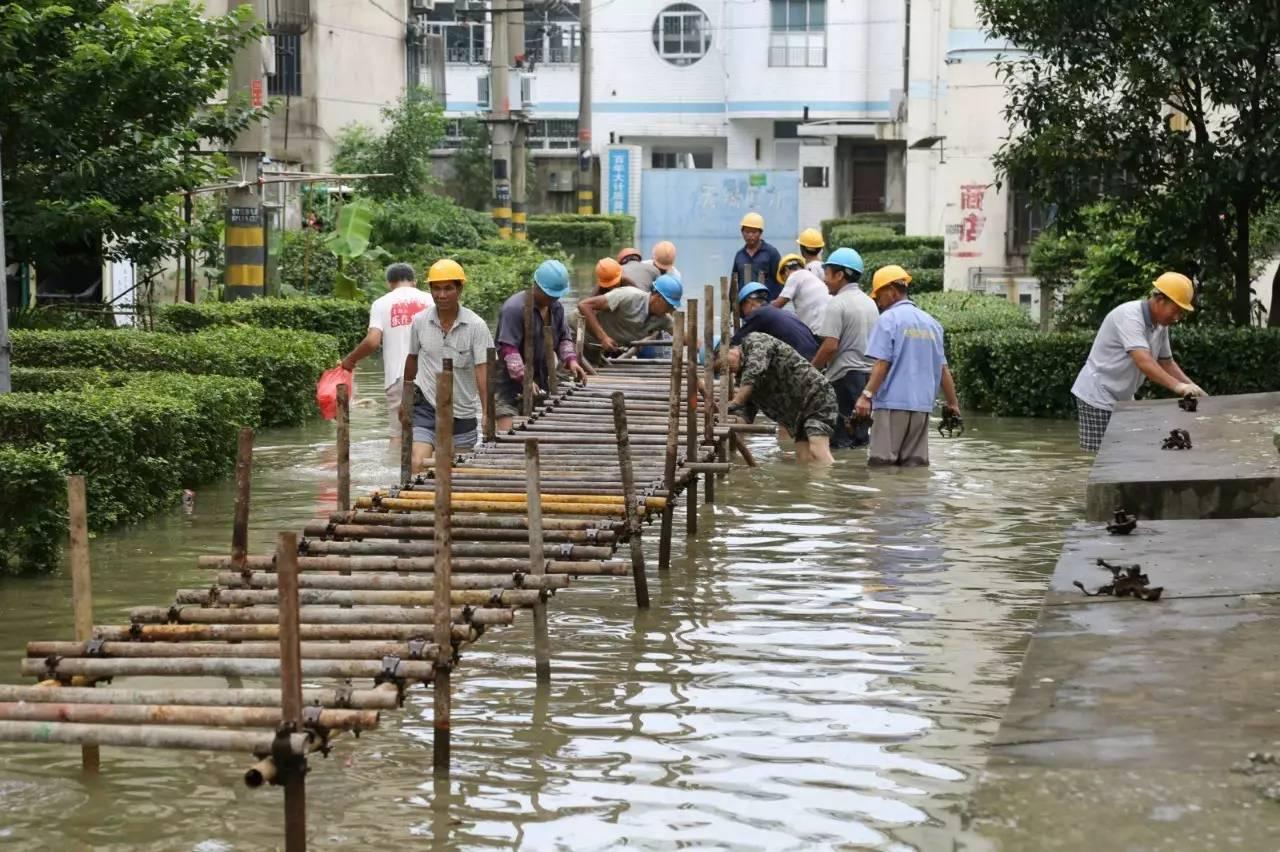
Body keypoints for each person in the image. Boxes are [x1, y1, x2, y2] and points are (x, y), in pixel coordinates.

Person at [1070, 272, 1206, 452]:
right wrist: (1179, 388)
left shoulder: (1160, 325)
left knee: (1128, 452)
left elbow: (1166, 362)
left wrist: (1195, 389)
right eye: (1175, 310)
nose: (1177, 318)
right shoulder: (1130, 316)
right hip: (1098, 394)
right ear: (1159, 300)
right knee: (1104, 458)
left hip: (1123, 396)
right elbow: (1144, 362)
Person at [855, 265, 961, 467]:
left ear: (892, 292)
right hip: (922, 408)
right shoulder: (931, 323)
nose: (878, 301)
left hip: (891, 406)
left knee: (882, 468)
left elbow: (881, 364)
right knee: (914, 469)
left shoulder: (888, 319)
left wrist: (865, 396)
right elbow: (943, 369)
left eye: (879, 296)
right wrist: (953, 404)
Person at [402, 258, 493, 473]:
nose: (442, 295)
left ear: (460, 289)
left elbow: (483, 370)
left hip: (462, 410)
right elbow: (412, 359)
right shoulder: (420, 322)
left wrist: (488, 412)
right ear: (430, 290)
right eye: (437, 289)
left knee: (458, 472)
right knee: (417, 463)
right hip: (426, 406)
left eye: (448, 289)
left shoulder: (476, 326)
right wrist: (405, 401)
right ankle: (418, 504)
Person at [339, 262, 432, 441]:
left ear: (389, 283)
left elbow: (372, 341)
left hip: (399, 377)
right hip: (434, 376)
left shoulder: (381, 303)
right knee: (433, 433)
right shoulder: (431, 300)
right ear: (415, 281)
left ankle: (395, 468)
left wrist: (350, 360)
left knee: (399, 437)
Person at [494, 260, 589, 431]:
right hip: (508, 382)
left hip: (541, 378)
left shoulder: (556, 308)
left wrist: (571, 361)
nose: (553, 298)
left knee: (536, 427)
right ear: (536, 286)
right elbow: (508, 349)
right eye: (549, 294)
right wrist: (525, 379)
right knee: (506, 432)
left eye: (556, 295)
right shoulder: (514, 308)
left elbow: (563, 339)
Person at [723, 332, 837, 465]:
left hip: (816, 396)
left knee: (817, 450)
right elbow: (745, 413)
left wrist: (735, 402)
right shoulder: (743, 381)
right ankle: (818, 485)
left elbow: (754, 370)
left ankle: (835, 482)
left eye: (724, 364)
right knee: (804, 457)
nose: (728, 370)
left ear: (729, 350)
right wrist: (727, 417)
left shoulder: (755, 341)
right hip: (798, 414)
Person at [812, 248, 879, 450]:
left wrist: (811, 369)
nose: (824, 279)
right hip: (868, 380)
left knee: (841, 441)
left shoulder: (837, 304)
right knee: (860, 438)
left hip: (844, 378)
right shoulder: (870, 303)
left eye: (827, 273)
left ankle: (840, 479)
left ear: (840, 275)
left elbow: (830, 346)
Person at [574, 273, 682, 362]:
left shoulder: (663, 319)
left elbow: (684, 338)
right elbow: (584, 305)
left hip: (594, 346)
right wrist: (603, 337)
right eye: (669, 305)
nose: (670, 310)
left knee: (592, 376)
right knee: (567, 374)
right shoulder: (628, 296)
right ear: (658, 297)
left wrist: (699, 349)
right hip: (575, 333)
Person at [730, 282, 819, 359]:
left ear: (749, 302)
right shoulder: (778, 313)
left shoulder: (759, 314)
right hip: (813, 356)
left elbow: (737, 340)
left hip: (801, 359)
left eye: (742, 309)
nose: (745, 315)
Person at [772, 252, 831, 335]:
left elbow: (778, 305)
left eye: (784, 280)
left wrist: (760, 310)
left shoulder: (794, 276)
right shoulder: (810, 276)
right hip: (828, 326)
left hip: (816, 328)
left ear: (786, 271)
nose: (785, 283)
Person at [730, 212, 783, 299]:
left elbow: (780, 280)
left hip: (765, 304)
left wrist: (775, 304)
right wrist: (732, 307)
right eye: (747, 232)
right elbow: (734, 283)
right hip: (745, 304)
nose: (750, 235)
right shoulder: (739, 256)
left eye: (754, 232)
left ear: (760, 232)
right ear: (742, 232)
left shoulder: (771, 253)